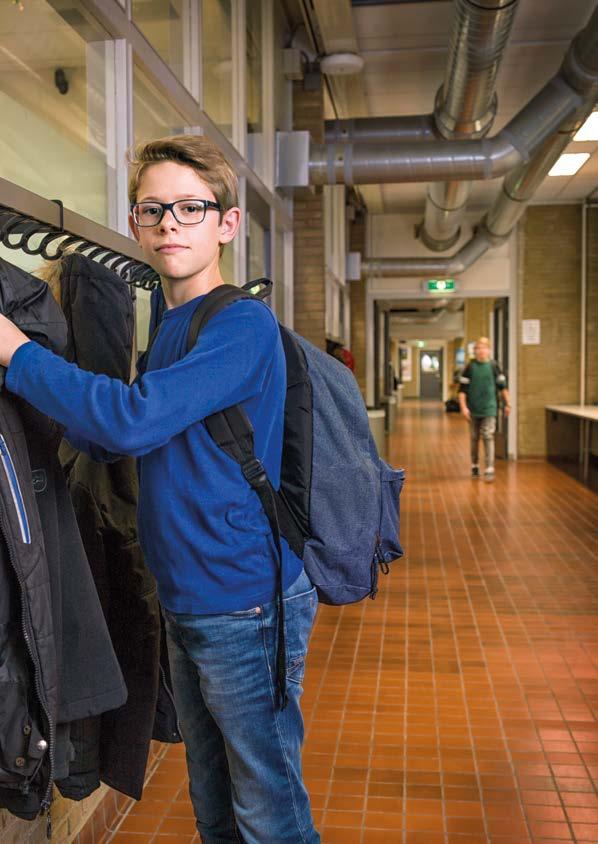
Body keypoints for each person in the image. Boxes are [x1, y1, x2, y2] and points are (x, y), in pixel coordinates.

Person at [0, 135, 320, 844]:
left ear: (226, 224)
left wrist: (15, 352)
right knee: (214, 801)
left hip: (246, 604)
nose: (170, 222)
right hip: (188, 599)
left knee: (266, 808)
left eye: (190, 207)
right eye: (154, 210)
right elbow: (120, 435)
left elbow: (134, 419)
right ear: (138, 225)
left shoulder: (241, 325)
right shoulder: (173, 327)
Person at [458, 336, 511, 482]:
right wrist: (463, 407)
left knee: (488, 435)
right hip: (473, 409)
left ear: (488, 350)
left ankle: (489, 467)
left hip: (490, 408)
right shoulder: (469, 367)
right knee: (474, 438)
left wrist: (508, 404)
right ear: (474, 351)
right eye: (478, 348)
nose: (480, 351)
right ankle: (475, 465)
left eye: (483, 348)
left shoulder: (494, 366)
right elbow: (462, 390)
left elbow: (503, 387)